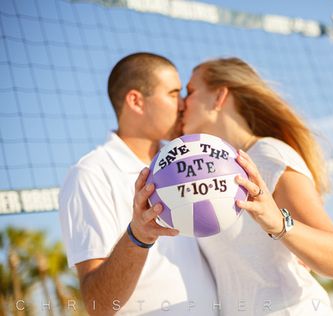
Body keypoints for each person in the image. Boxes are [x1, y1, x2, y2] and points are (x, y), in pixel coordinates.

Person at [179, 57, 333, 314]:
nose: (182, 103)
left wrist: (279, 223)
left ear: (219, 96)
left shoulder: (269, 154)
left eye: (190, 92)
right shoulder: (212, 173)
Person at [58, 52, 217, 315]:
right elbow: (99, 305)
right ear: (136, 101)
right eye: (173, 93)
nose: (182, 105)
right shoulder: (91, 173)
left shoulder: (191, 163)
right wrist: (138, 236)